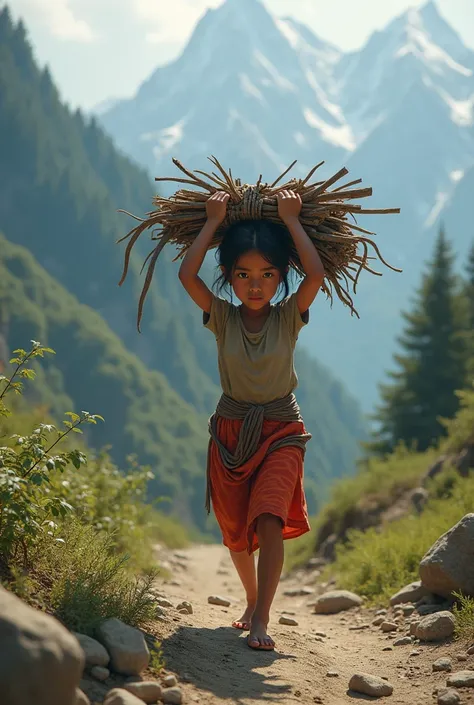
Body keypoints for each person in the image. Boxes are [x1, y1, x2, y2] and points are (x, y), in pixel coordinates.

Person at [178, 189, 325, 651]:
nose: (255, 285)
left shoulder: (289, 318)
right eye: (243, 275)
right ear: (228, 277)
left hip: (282, 429)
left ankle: (263, 617)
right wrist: (212, 220)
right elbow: (186, 273)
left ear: (282, 278)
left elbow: (317, 273)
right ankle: (250, 597)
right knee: (236, 532)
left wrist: (292, 220)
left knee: (267, 517)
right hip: (231, 431)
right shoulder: (221, 316)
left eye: (267, 274)